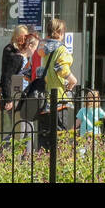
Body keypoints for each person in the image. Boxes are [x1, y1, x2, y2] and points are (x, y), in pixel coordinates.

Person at [38, 18, 77, 150]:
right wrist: (73, 80)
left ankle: (42, 165)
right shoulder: (61, 50)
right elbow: (62, 69)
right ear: (59, 33)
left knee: (44, 139)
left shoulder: (43, 50)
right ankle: (58, 166)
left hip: (44, 101)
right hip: (58, 100)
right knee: (60, 137)